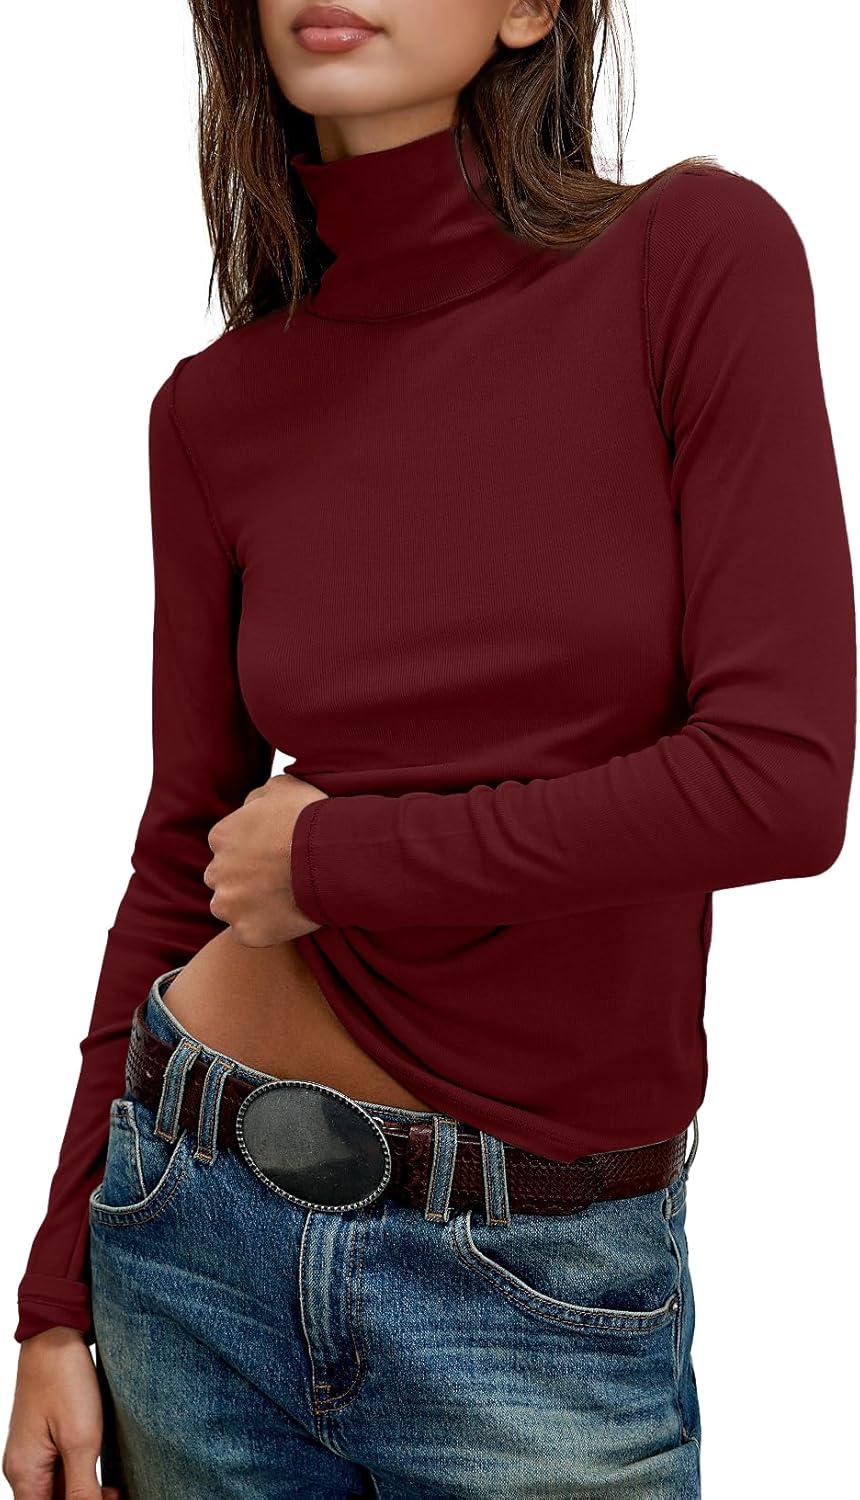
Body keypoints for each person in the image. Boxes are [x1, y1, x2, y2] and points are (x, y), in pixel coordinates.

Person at [4, 0, 855, 1495]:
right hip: (188, 1241)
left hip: (537, 1289)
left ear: (532, 8)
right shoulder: (214, 408)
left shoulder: (693, 260)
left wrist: (339, 860)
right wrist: (55, 1299)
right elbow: (181, 852)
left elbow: (777, 785)